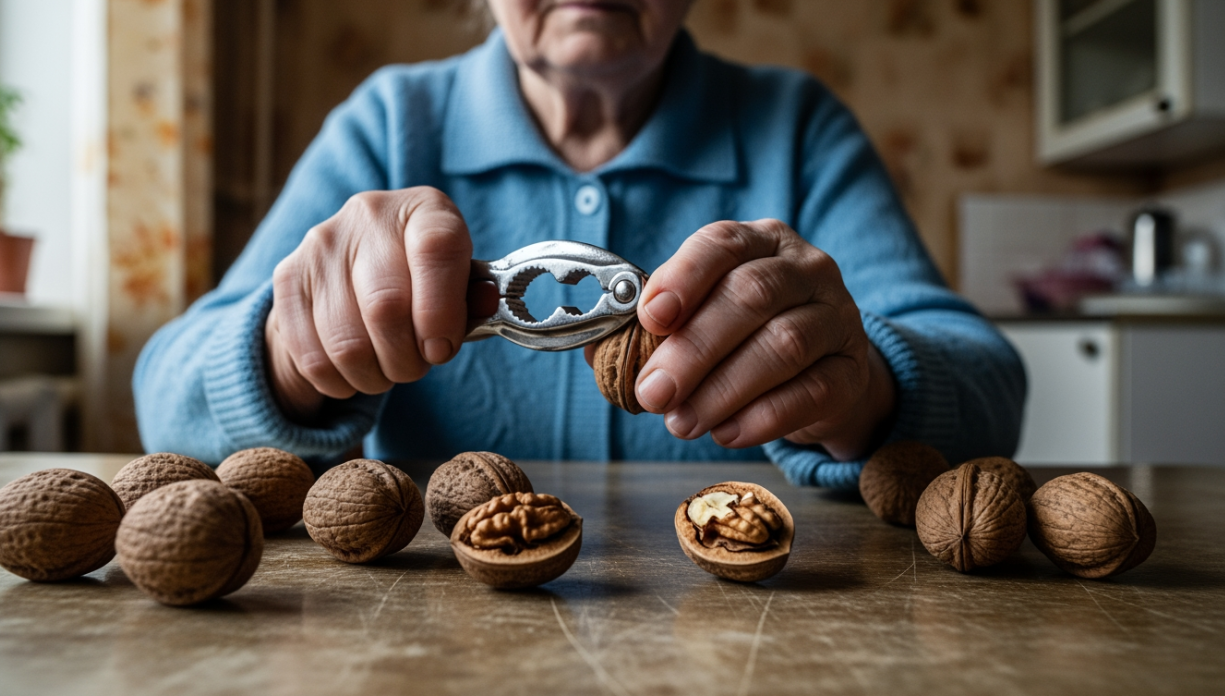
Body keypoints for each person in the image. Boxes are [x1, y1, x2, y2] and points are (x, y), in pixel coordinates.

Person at [134, 0, 1025, 488]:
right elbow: (166, 397)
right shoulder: (387, 125)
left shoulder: (796, 128)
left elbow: (989, 383)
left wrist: (863, 387)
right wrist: (291, 351)